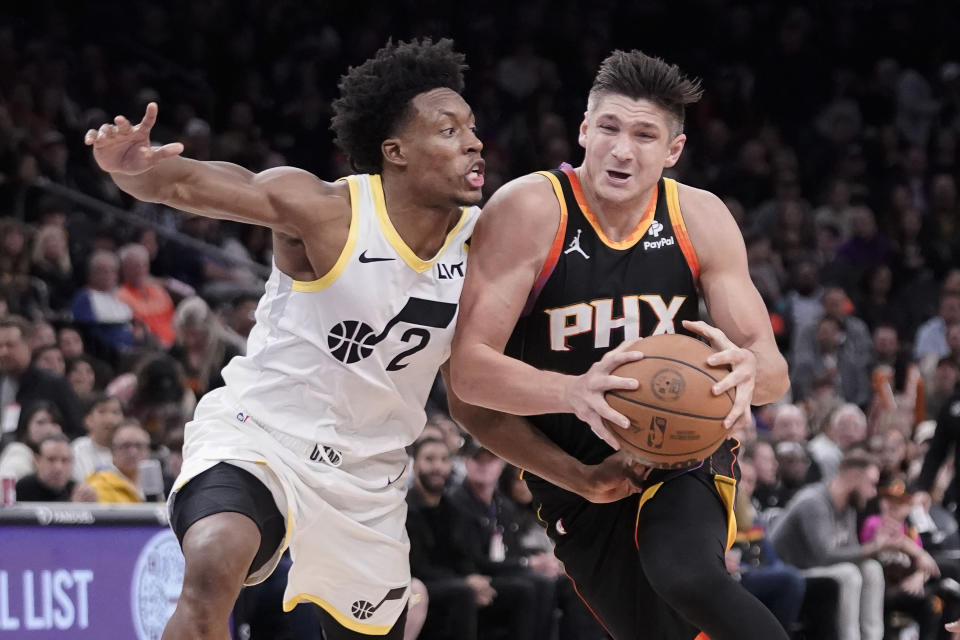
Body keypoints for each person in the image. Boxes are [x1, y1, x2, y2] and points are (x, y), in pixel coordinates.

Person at [85, 38, 485, 640]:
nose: (474, 141)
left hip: (367, 476)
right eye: (450, 131)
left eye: (472, 128)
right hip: (262, 434)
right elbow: (194, 183)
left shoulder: (488, 243)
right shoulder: (326, 210)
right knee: (213, 562)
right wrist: (131, 168)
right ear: (395, 151)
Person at [449, 50, 790, 640]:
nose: (622, 149)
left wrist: (747, 370)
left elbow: (773, 373)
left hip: (681, 449)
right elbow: (469, 381)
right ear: (584, 130)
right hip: (576, 472)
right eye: (608, 127)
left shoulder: (699, 217)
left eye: (644, 135)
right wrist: (576, 403)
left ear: (672, 151)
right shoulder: (529, 209)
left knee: (688, 575)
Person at [770, 450, 893, 640]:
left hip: (817, 569)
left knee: (871, 568)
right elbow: (824, 556)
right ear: (853, 477)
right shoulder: (813, 502)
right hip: (790, 571)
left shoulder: (849, 504)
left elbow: (852, 550)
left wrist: (879, 547)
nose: (873, 492)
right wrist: (873, 547)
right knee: (848, 574)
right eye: (871, 483)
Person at [16, 434, 97, 502]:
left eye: (65, 460)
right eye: (51, 459)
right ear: (37, 461)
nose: (58, 468)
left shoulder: (75, 490)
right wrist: (73, 509)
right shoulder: (22, 488)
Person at [87, 420, 152, 503]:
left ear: (148, 451)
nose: (133, 452)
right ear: (113, 452)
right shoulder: (98, 485)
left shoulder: (154, 485)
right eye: (125, 446)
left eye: (139, 446)